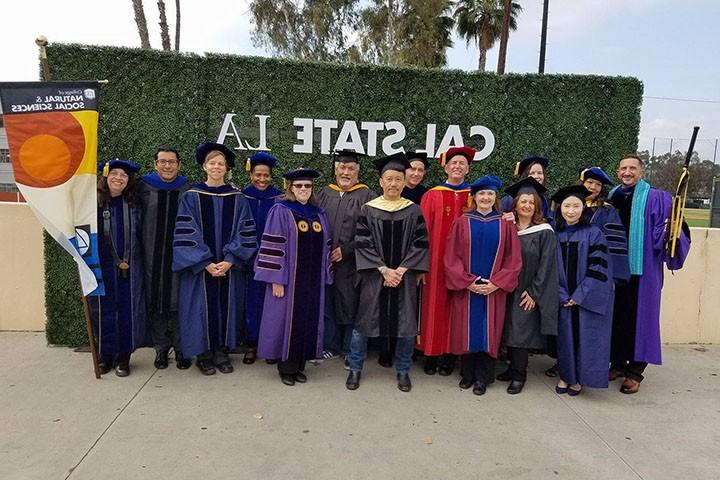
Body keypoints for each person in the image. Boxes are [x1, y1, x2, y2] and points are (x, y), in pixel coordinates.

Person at [346, 153, 430, 392]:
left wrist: (401, 270)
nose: (393, 184)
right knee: (363, 324)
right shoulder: (368, 209)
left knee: (406, 325)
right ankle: (355, 367)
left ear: (404, 182)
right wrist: (384, 270)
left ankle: (403, 370)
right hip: (374, 276)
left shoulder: (414, 211)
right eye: (389, 179)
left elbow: (421, 243)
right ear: (381, 182)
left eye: (398, 179)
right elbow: (362, 242)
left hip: (403, 278)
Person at [172, 142, 257, 376]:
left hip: (228, 267)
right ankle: (204, 355)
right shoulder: (191, 197)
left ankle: (221, 353)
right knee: (200, 309)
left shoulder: (238, 198)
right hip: (202, 269)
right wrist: (205, 262)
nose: (217, 166)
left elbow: (246, 231)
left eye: (221, 163)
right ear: (204, 166)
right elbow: (185, 233)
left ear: (227, 168)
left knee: (225, 308)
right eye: (212, 163)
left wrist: (230, 259)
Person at [607, 156, 690, 394]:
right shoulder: (612, 196)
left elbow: (674, 228)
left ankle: (635, 371)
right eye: (623, 168)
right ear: (618, 171)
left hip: (642, 271)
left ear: (641, 172)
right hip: (615, 270)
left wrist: (669, 233)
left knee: (640, 320)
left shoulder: (657, 198)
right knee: (617, 318)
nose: (627, 172)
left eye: (633, 168)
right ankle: (618, 363)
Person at [444, 175, 522, 395]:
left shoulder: (505, 224)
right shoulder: (462, 222)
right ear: (474, 197)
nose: (486, 197)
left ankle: (483, 378)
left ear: (495, 197)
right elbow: (452, 257)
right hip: (468, 289)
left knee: (489, 331)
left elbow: (513, 259)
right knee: (466, 330)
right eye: (482, 194)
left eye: (490, 194)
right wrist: (468, 282)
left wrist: (496, 283)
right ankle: (467, 374)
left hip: (493, 290)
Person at [256, 168, 333, 386]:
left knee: (308, 319)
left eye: (307, 186)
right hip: (289, 281)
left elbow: (326, 244)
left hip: (312, 282)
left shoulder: (318, 213)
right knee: (285, 322)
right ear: (290, 188)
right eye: (298, 186)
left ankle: (300, 365)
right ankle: (286, 368)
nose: (303, 189)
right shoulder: (280, 211)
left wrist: (327, 271)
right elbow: (272, 245)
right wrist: (276, 279)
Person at [497, 177, 559, 394]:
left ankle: (519, 375)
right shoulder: (507, 226)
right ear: (515, 204)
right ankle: (510, 367)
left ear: (537, 206)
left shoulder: (544, 231)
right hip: (506, 287)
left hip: (527, 289)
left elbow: (547, 265)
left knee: (521, 332)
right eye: (523, 202)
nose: (527, 206)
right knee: (507, 328)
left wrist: (534, 292)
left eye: (531, 203)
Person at [317, 150, 377, 365]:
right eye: (342, 168)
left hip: (353, 264)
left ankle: (349, 350)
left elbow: (372, 232)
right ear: (335, 170)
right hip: (325, 262)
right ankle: (329, 346)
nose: (346, 172)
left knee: (351, 304)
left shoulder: (368, 196)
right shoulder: (324, 193)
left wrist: (348, 249)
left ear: (357, 172)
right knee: (328, 303)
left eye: (350, 168)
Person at [418, 146, 474, 376]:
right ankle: (431, 354)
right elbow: (420, 233)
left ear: (468, 168)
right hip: (435, 264)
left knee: (457, 308)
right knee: (433, 307)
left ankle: (451, 357)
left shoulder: (476, 195)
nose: (458, 167)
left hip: (465, 265)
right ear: (446, 167)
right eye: (454, 163)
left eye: (462, 163)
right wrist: (421, 265)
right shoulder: (432, 195)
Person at [552, 185, 613, 396]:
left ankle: (579, 379)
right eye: (567, 206)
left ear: (583, 207)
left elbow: (599, 268)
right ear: (560, 208)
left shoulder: (594, 233)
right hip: (562, 295)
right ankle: (565, 376)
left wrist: (579, 296)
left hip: (583, 297)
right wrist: (561, 294)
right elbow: (547, 268)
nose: (571, 211)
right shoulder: (554, 233)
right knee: (564, 337)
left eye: (576, 206)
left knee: (583, 337)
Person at [90, 159, 146, 377]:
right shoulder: (93, 204)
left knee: (127, 311)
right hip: (100, 268)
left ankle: (124, 357)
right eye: (114, 173)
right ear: (105, 176)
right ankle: (105, 356)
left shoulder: (133, 204)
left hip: (130, 269)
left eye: (124, 175)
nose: (119, 178)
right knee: (101, 311)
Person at [139, 147, 192, 370]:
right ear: (155, 164)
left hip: (179, 255)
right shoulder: (143, 186)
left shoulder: (187, 188)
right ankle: (161, 348)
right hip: (151, 253)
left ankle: (181, 349)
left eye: (172, 162)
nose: (167, 166)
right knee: (156, 301)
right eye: (163, 162)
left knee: (179, 301)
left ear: (179, 165)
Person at [241, 152, 283, 365]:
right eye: (258, 174)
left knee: (272, 304)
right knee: (251, 303)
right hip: (248, 259)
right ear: (251, 175)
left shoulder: (279, 198)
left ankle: (270, 346)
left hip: (272, 260)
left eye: (266, 175)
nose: (262, 179)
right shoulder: (241, 196)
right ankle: (251, 345)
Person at [501, 156, 552, 220]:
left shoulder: (544, 200)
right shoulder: (510, 199)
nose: (536, 176)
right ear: (525, 176)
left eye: (539, 173)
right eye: (532, 173)